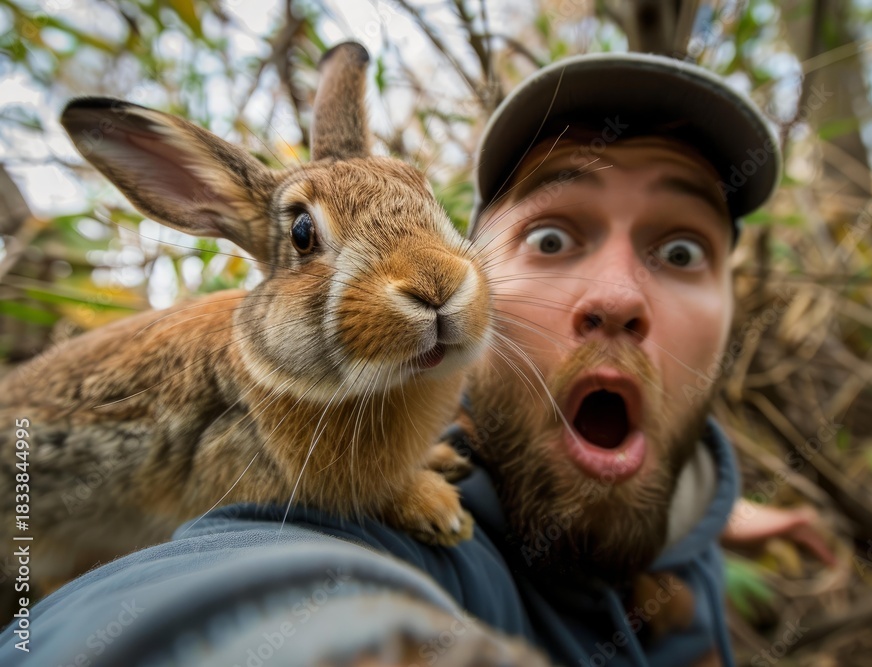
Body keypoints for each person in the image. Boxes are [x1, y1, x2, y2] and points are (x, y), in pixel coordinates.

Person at [1, 52, 789, 667]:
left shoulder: (675, 489)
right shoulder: (345, 474)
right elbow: (243, 571)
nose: (618, 295)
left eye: (681, 249)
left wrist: (712, 524)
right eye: (550, 238)